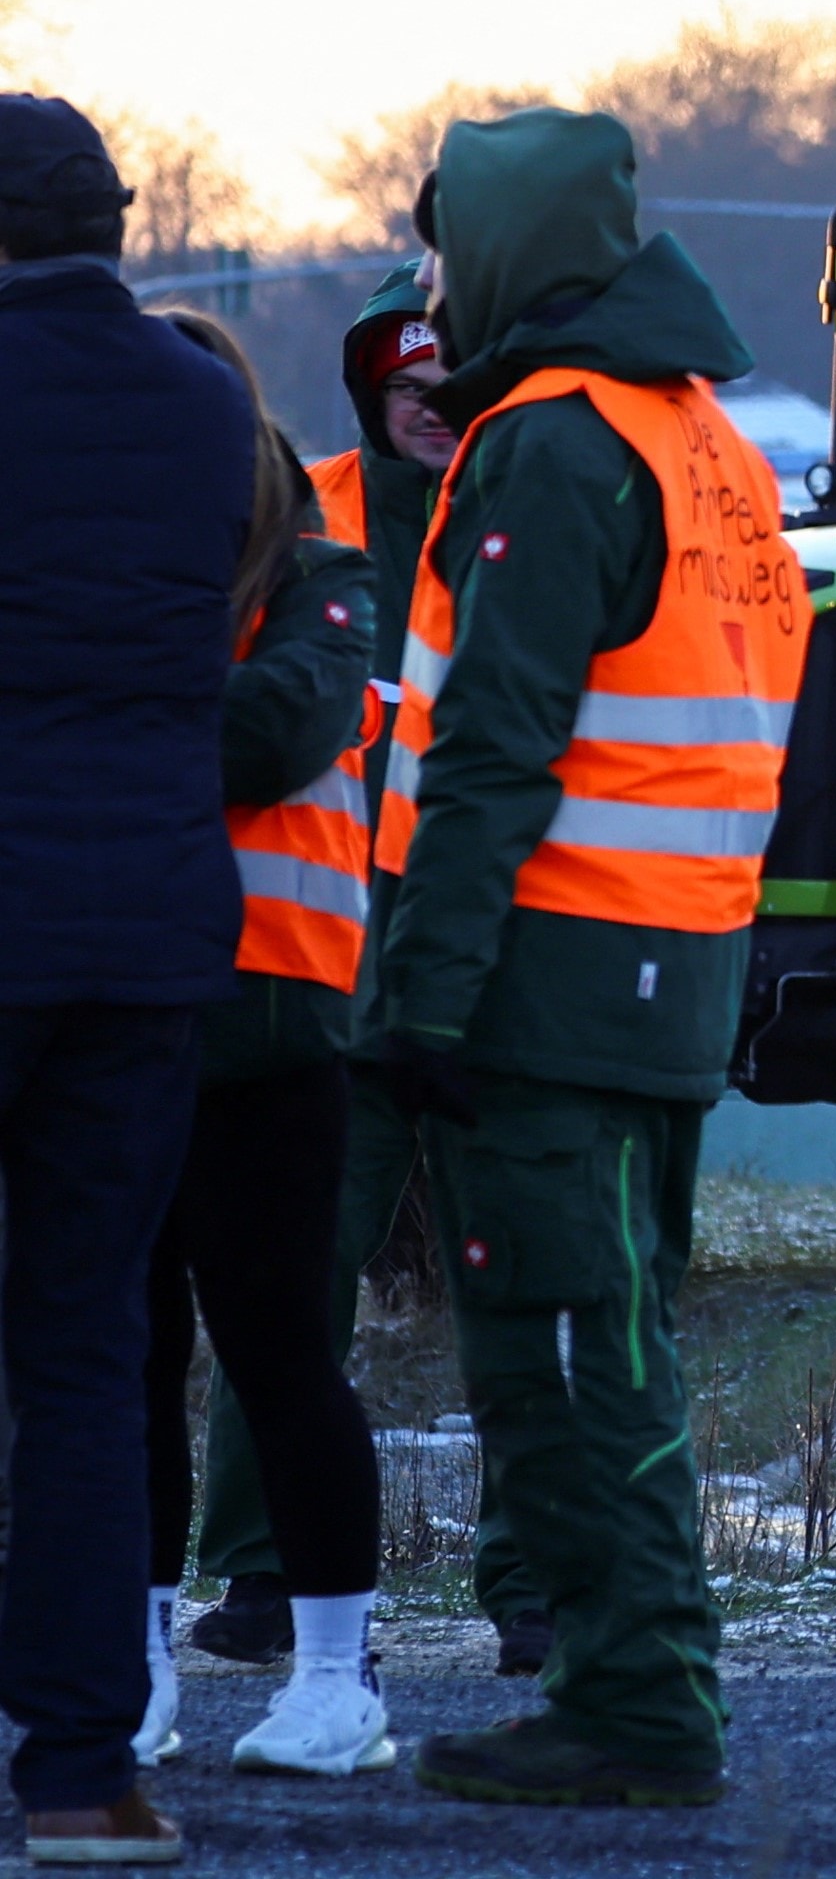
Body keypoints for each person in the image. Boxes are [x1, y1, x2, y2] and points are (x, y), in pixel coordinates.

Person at [366, 109, 806, 1810]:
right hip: (670, 972)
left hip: (545, 982)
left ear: (510, 258)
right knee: (621, 1342)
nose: (424, 285)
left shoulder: (550, 445)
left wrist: (421, 989)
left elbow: (495, 748)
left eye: (441, 251)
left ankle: (631, 1706)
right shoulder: (707, 442)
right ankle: (642, 1683)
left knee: (558, 1348)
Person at [186, 273, 553, 1681]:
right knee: (282, 1285)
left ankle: (530, 1585)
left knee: (518, 1275)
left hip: (495, 956)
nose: (433, 419)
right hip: (327, 966)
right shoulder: (304, 513)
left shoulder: (533, 515)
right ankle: (263, 1575)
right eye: (410, 393)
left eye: (455, 397)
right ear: (367, 394)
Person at [0, 96, 252, 1866]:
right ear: (119, 221)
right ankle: (84, 1770)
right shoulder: (212, 404)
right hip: (150, 928)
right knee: (89, 1354)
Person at [137, 311, 393, 1779]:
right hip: (127, 1014)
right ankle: (135, 1661)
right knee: (121, 1360)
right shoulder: (118, 587)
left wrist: (102, 703)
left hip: (278, 1026)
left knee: (282, 1357)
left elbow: (277, 728)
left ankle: (339, 1678)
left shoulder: (318, 580)